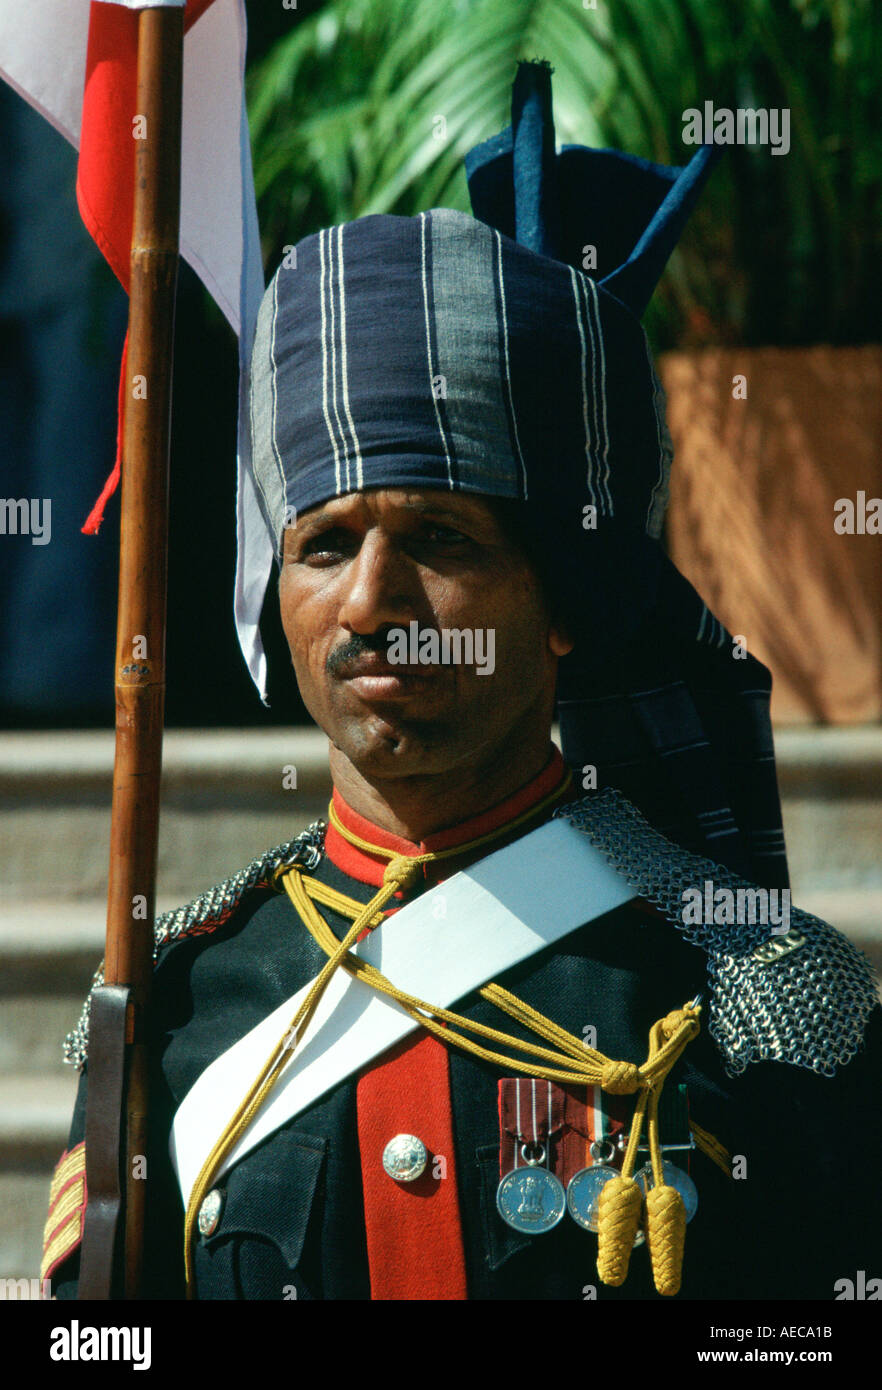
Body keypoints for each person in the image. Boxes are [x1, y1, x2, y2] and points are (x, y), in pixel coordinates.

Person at [44, 62, 881, 1302]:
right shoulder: (169, 1006)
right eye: (324, 545)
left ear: (563, 611)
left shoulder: (751, 991)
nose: (372, 604)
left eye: (441, 539)